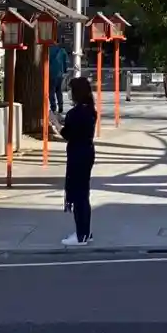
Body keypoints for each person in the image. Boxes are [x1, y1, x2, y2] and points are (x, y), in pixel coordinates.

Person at [60, 74, 97, 246]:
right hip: (87, 152)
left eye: (70, 90)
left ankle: (81, 235)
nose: (69, 93)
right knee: (84, 193)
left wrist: (55, 123)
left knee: (78, 194)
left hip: (77, 154)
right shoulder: (90, 110)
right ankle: (86, 231)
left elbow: (68, 134)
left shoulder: (74, 113)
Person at [48, 37, 70, 121]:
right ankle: (60, 106)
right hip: (60, 74)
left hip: (51, 73)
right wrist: (65, 71)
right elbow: (65, 62)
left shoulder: (48, 50)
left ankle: (53, 107)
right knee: (58, 90)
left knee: (51, 91)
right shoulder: (62, 50)